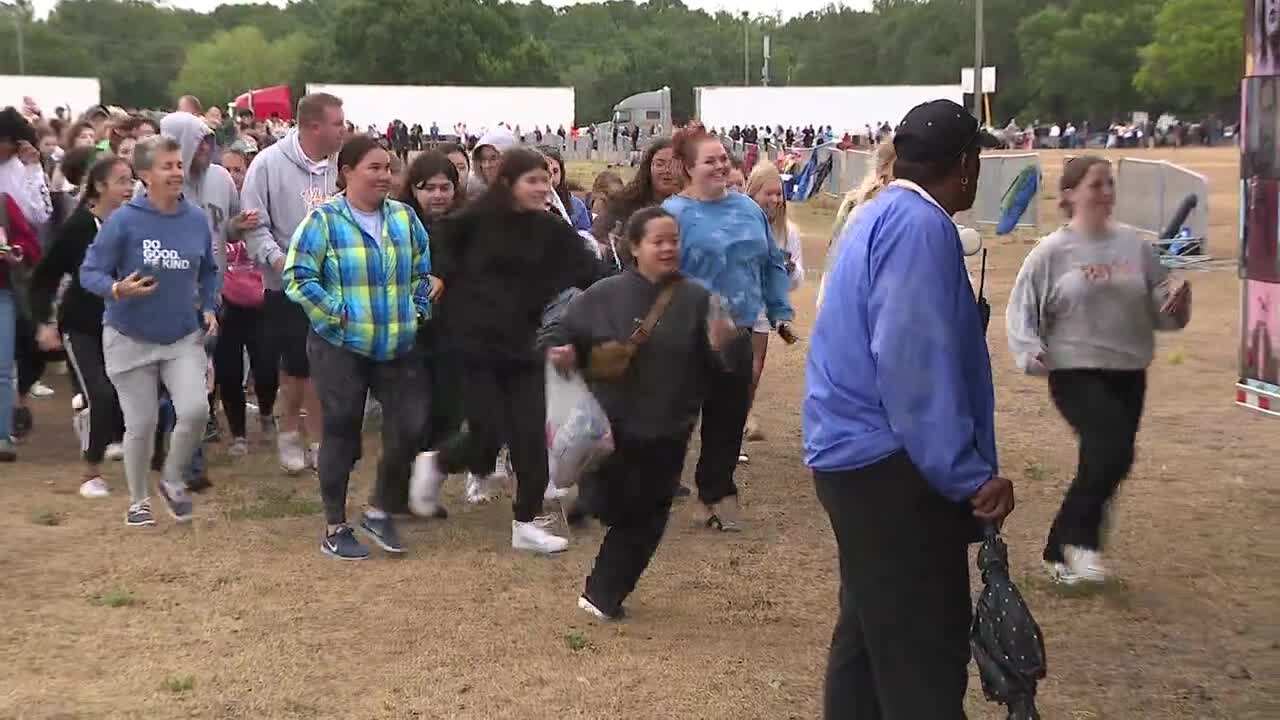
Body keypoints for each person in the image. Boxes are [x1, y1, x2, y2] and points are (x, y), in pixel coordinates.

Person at [804, 99, 1013, 718]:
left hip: (852, 455)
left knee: (869, 639)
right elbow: (912, 365)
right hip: (887, 466)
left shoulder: (881, 211)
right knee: (924, 654)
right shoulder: (921, 226)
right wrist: (966, 472)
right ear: (967, 166)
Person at [1006, 156, 1192, 585]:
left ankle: (1060, 551)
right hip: (1075, 370)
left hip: (1128, 368)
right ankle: (1078, 543)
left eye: (1110, 184)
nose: (1106, 192)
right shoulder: (1052, 252)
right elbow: (1022, 308)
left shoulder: (1135, 246)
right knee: (1109, 447)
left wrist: (1176, 304)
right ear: (1070, 194)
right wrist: (1030, 351)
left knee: (1111, 458)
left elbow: (1161, 308)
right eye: (1096, 184)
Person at [407, 148, 599, 555]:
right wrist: (440, 279)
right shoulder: (474, 221)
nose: (542, 188)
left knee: (530, 437)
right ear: (508, 183)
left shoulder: (551, 231)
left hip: (521, 344)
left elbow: (591, 270)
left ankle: (525, 523)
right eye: (532, 180)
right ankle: (436, 463)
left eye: (546, 180)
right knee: (486, 432)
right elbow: (440, 249)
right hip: (473, 343)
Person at [547, 207, 735, 619]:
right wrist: (561, 350)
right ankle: (591, 500)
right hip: (612, 425)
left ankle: (602, 594)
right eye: (658, 241)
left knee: (647, 515)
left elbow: (717, 368)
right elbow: (563, 333)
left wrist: (722, 346)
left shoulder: (697, 298)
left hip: (670, 426)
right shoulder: (603, 294)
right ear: (635, 247)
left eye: (674, 241)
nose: (669, 249)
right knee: (618, 502)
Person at [285, 136, 434, 559]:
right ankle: (335, 526)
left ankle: (380, 508)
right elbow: (299, 277)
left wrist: (417, 310)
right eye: (374, 167)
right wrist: (339, 312)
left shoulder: (404, 218)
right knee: (343, 430)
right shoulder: (324, 221)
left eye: (388, 168)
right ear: (347, 171)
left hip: (397, 342)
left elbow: (423, 269)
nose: (384, 176)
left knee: (411, 425)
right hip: (340, 345)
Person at [79, 135, 219, 527]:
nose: (176, 172)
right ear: (144, 174)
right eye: (166, 166)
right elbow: (89, 272)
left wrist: (209, 305)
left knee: (194, 410)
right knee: (141, 423)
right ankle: (138, 500)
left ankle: (172, 479)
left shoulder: (194, 218)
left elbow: (209, 269)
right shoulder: (123, 221)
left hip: (180, 336)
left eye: (178, 165)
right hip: (129, 336)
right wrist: (116, 288)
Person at [662, 127, 796, 531]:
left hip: (736, 331)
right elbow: (656, 272)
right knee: (673, 422)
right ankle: (654, 490)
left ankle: (716, 494)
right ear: (687, 168)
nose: (721, 165)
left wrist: (779, 310)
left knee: (728, 419)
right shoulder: (672, 213)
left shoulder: (748, 209)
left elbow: (771, 262)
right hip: (685, 334)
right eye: (710, 160)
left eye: (724, 158)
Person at [242, 93, 345, 475]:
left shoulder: (340, 165)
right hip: (286, 284)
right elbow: (254, 225)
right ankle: (288, 430)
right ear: (313, 126)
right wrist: (280, 261)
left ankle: (318, 439)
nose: (343, 130)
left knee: (325, 363)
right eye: (337, 123)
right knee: (296, 364)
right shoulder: (267, 164)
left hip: (333, 283)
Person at [392, 151, 491, 508]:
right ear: (413, 189)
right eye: (428, 187)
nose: (438, 195)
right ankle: (397, 492)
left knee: (448, 414)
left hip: (454, 334)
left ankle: (424, 485)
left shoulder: (469, 225)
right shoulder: (397, 224)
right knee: (412, 415)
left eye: (445, 187)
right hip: (410, 334)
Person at [30, 156, 133, 493]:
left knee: (122, 394)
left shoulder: (136, 225)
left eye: (131, 179)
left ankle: (106, 432)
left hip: (122, 326)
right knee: (101, 394)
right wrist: (44, 322)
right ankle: (91, 473)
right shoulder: (78, 228)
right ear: (100, 187)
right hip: (81, 326)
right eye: (121, 180)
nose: (129, 186)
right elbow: (44, 276)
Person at [742, 163, 804, 447]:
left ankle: (743, 418)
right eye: (769, 193)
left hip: (762, 312)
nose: (776, 200)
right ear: (753, 193)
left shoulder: (788, 232)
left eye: (779, 194)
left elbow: (794, 282)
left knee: (754, 369)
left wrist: (789, 269)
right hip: (733, 306)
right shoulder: (737, 223)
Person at [592, 138, 680, 275]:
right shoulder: (623, 204)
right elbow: (601, 240)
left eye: (674, 164)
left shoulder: (694, 207)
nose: (667, 170)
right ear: (649, 168)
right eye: (660, 164)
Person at [540, 146, 591, 233]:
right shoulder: (524, 206)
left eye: (555, 171)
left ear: (562, 173)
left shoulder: (576, 206)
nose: (551, 177)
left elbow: (586, 239)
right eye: (545, 172)